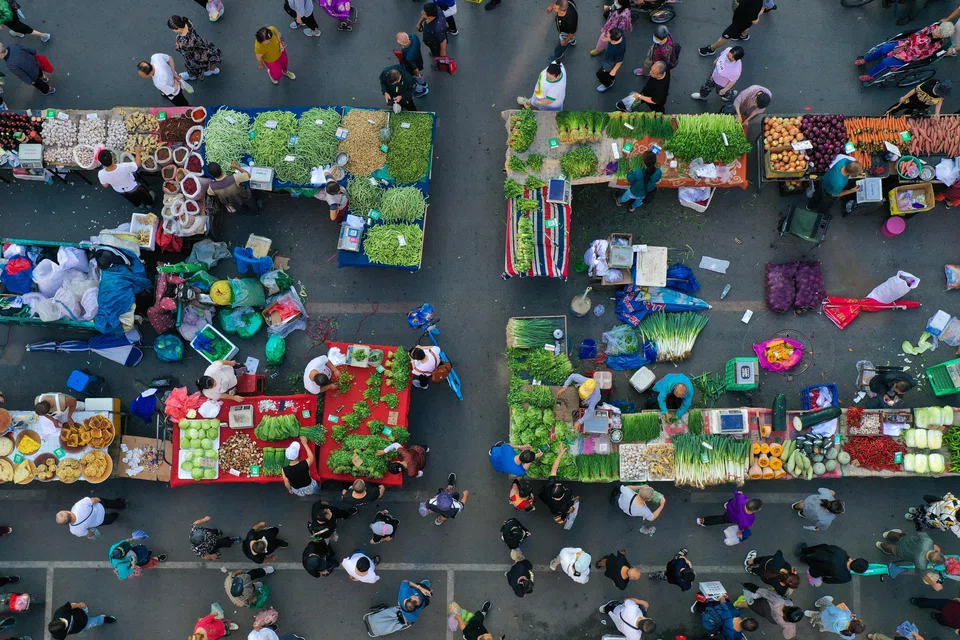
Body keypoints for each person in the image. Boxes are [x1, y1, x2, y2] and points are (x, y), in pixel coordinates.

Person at [857, 22, 955, 81]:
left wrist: (904, 57)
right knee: (884, 48)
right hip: (905, 44)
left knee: (885, 62)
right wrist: (905, 43)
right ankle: (866, 60)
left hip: (909, 57)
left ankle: (870, 76)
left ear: (942, 36)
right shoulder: (932, 27)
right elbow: (916, 34)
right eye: (938, 29)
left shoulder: (936, 45)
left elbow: (920, 56)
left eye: (939, 32)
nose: (936, 30)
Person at [876, 530, 946, 590]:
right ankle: (880, 544)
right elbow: (923, 575)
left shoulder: (928, 541)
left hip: (906, 539)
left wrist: (934, 545)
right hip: (901, 551)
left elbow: (920, 533)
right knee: (891, 549)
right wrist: (934, 584)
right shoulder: (922, 564)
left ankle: (887, 534)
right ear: (932, 562)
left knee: (899, 535)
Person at [699, 0, 764, 57]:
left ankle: (711, 49)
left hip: (739, 23)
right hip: (743, 19)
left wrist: (759, 14)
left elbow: (755, 21)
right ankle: (744, 36)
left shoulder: (756, 2)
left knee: (725, 36)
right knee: (747, 25)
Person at [738, 583, 803, 639]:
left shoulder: (780, 602)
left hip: (767, 606)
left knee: (752, 605)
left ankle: (737, 604)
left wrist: (756, 589)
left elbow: (766, 594)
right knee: (762, 612)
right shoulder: (790, 623)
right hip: (771, 618)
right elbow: (790, 635)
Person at [168, 15, 221, 81]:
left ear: (178, 28)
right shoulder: (188, 22)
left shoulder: (184, 42)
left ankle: (192, 76)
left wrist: (178, 45)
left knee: (195, 66)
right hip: (201, 45)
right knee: (208, 58)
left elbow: (183, 52)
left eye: (172, 29)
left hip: (194, 55)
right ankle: (213, 69)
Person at [538, 445, 578, 526]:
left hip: (549, 503)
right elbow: (568, 509)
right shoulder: (565, 502)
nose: (559, 483)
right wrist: (571, 509)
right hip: (558, 509)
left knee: (553, 510)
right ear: (563, 493)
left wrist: (560, 454)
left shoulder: (550, 486)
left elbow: (554, 469)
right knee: (558, 512)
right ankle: (562, 518)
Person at [696, 491, 761, 540]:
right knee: (721, 519)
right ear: (754, 510)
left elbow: (736, 493)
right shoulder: (748, 520)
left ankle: (704, 520)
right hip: (731, 517)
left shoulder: (742, 498)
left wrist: (739, 493)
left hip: (731, 506)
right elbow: (741, 527)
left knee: (731, 503)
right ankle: (705, 522)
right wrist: (739, 533)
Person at [796, 543, 868, 587]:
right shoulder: (846, 578)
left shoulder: (841, 553)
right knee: (810, 562)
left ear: (855, 559)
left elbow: (826, 547)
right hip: (816, 570)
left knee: (821, 547)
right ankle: (803, 559)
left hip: (817, 555)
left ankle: (802, 551)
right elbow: (828, 580)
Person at [57, 497, 126, 539]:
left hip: (101, 520)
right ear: (68, 512)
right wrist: (98, 499)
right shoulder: (78, 506)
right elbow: (94, 500)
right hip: (100, 506)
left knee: (110, 519)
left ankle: (115, 515)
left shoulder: (74, 530)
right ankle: (121, 504)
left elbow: (89, 534)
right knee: (111, 503)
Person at [48, 603, 116, 639]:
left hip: (80, 612)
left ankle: (85, 610)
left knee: (83, 609)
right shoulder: (58, 635)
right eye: (65, 624)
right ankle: (104, 619)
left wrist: (79, 605)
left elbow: (70, 606)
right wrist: (76, 631)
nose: (66, 621)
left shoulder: (60, 612)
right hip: (84, 625)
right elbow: (67, 635)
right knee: (95, 622)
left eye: (63, 620)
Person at [396, 32, 428, 97]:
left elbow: (415, 69)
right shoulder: (414, 37)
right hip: (419, 60)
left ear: (401, 44)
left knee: (409, 79)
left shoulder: (408, 57)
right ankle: (423, 83)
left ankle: (421, 89)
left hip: (410, 67)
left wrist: (419, 76)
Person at [596, 27, 625, 92]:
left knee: (599, 74)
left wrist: (614, 70)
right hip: (608, 59)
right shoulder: (621, 35)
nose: (606, 36)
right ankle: (610, 78)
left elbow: (620, 61)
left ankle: (608, 84)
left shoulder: (617, 50)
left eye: (607, 36)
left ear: (613, 39)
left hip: (609, 65)